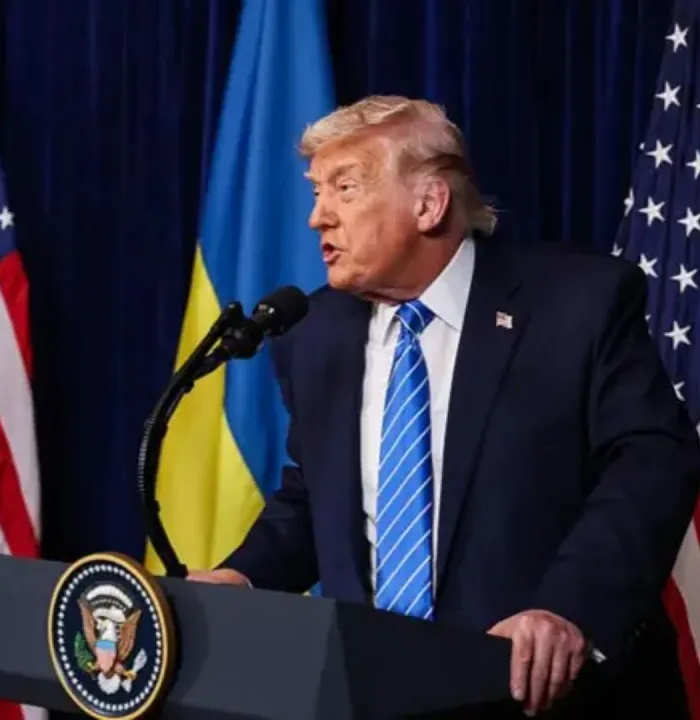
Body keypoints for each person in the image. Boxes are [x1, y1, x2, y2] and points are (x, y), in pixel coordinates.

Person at [189, 96, 700, 717]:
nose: (317, 217)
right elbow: (315, 497)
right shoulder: (313, 333)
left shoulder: (577, 303)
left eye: (344, 188)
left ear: (429, 204)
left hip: (547, 697)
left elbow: (652, 463)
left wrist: (568, 609)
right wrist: (242, 578)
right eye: (318, 192)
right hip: (376, 695)